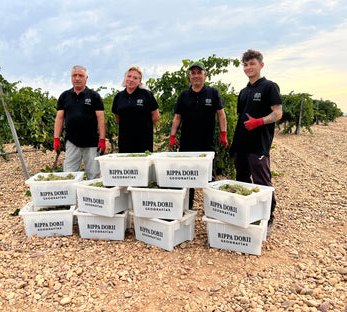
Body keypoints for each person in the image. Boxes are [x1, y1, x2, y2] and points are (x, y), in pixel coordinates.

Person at [230, 49, 283, 236]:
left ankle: (268, 217)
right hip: (241, 143)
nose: (248, 67)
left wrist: (259, 121)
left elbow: (278, 113)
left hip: (258, 143)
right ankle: (247, 214)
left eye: (252, 64)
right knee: (242, 180)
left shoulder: (269, 87)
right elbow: (240, 118)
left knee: (262, 182)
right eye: (245, 64)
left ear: (261, 65)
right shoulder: (244, 91)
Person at [169, 61, 228, 208]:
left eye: (199, 72)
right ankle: (187, 208)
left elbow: (221, 115)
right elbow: (177, 117)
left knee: (209, 179)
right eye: (193, 73)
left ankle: (212, 210)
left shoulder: (213, 93)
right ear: (189, 76)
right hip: (187, 143)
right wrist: (172, 136)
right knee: (187, 177)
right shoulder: (183, 95)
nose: (196, 76)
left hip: (207, 143)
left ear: (204, 75)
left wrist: (224, 134)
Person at [53, 65, 106, 179]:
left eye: (80, 76)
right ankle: (73, 196)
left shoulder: (94, 96)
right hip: (72, 141)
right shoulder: (64, 96)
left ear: (86, 78)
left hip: (91, 142)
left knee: (94, 174)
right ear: (71, 77)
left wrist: (102, 139)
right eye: (74, 75)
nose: (77, 78)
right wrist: (56, 138)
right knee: (69, 174)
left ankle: (93, 195)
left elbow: (101, 118)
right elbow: (59, 118)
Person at [112, 65, 160, 153]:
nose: (131, 80)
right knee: (126, 165)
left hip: (143, 140)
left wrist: (144, 127)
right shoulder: (119, 97)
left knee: (143, 164)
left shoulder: (146, 95)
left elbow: (156, 116)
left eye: (135, 78)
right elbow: (118, 118)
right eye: (129, 76)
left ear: (139, 81)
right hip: (125, 140)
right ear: (125, 77)